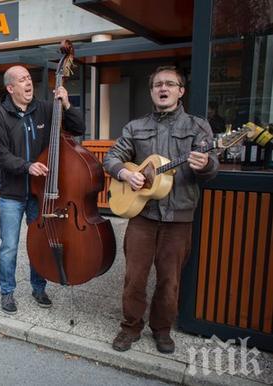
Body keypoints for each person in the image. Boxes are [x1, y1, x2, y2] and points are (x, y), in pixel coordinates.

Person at [103, 66, 219, 354]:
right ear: (152, 91)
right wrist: (125, 174)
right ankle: (130, 327)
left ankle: (162, 329)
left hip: (178, 217)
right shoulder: (135, 127)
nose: (163, 89)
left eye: (170, 84)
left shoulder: (197, 127)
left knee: (170, 280)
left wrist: (205, 165)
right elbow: (112, 157)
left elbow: (212, 165)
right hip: (142, 216)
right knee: (135, 277)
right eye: (157, 85)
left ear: (181, 91)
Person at [0, 65, 85, 314]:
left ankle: (38, 288)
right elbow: (1, 156)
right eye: (22, 80)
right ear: (11, 88)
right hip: (11, 193)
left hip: (40, 193)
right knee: (9, 246)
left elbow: (78, 128)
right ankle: (7, 292)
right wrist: (27, 167)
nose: (28, 83)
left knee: (39, 243)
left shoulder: (44, 109)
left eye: (29, 78)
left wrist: (66, 105)